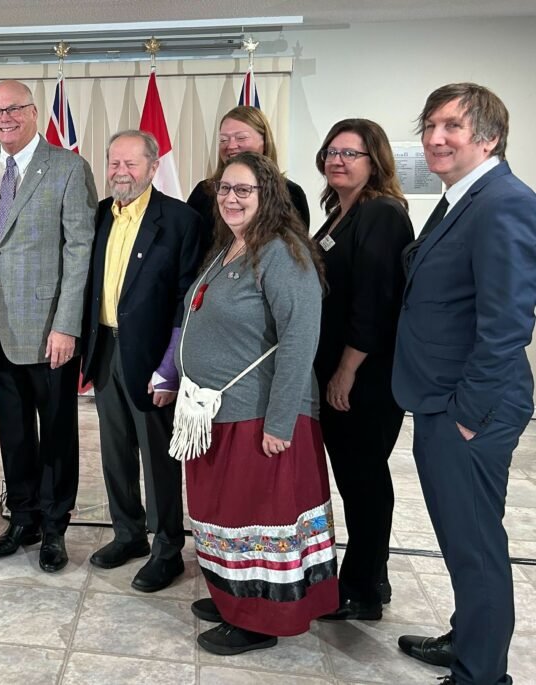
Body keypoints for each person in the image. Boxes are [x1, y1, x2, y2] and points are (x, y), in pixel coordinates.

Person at [394, 83, 536, 685]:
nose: (434, 138)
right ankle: (468, 637)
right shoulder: (462, 197)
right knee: (461, 537)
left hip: (467, 407)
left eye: (451, 126)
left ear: (489, 135)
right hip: (443, 399)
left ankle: (481, 675)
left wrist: (468, 413)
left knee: (475, 545)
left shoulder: (504, 202)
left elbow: (508, 322)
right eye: (429, 125)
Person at [179, 152, 337, 655]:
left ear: (268, 194)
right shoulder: (230, 246)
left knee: (255, 517)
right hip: (214, 413)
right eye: (225, 188)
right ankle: (234, 596)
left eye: (243, 189)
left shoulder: (282, 251)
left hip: (258, 415)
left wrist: (281, 420)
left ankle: (260, 619)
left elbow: (299, 338)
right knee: (222, 514)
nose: (230, 197)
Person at [0, 79, 98, 572]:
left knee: (58, 433)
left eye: (14, 109)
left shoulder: (68, 168)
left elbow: (79, 249)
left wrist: (67, 325)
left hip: (50, 331)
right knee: (14, 433)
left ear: (34, 112)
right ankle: (22, 518)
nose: (4, 118)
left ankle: (55, 526)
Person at [80, 130, 202, 592]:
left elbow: (184, 300)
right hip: (106, 348)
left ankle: (167, 548)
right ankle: (127, 534)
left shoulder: (181, 221)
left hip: (153, 358)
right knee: (114, 451)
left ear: (153, 167)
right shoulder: (99, 216)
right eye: (114, 163)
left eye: (132, 164)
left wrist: (170, 366)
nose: (121, 172)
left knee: (158, 458)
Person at [310, 119, 414, 621]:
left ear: (375, 161)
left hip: (364, 377)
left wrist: (346, 370)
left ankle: (363, 590)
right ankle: (370, 574)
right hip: (336, 367)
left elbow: (375, 302)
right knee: (356, 479)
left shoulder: (382, 214)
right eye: (332, 151)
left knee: (364, 480)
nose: (338, 160)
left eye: (351, 153)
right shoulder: (338, 214)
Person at [186, 106, 310, 251]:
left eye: (241, 138)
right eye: (223, 139)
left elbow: (295, 253)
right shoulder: (203, 192)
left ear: (264, 141)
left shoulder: (291, 193)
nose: (231, 146)